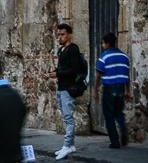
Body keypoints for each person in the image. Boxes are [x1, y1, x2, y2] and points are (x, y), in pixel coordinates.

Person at [43, 23, 84, 160]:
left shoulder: (73, 49)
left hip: (69, 88)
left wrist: (58, 75)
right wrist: (52, 73)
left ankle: (67, 145)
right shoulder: (61, 50)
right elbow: (61, 68)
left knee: (68, 118)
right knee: (66, 116)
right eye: (59, 34)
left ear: (69, 35)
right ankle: (70, 145)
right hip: (61, 87)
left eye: (63, 34)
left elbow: (75, 69)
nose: (60, 37)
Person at [94, 32, 130, 149]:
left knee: (109, 115)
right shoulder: (124, 56)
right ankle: (123, 130)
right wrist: (128, 91)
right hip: (121, 87)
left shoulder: (104, 56)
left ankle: (114, 142)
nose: (103, 46)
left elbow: (99, 75)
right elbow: (127, 75)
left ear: (108, 44)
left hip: (109, 88)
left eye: (103, 43)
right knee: (118, 112)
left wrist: (95, 90)